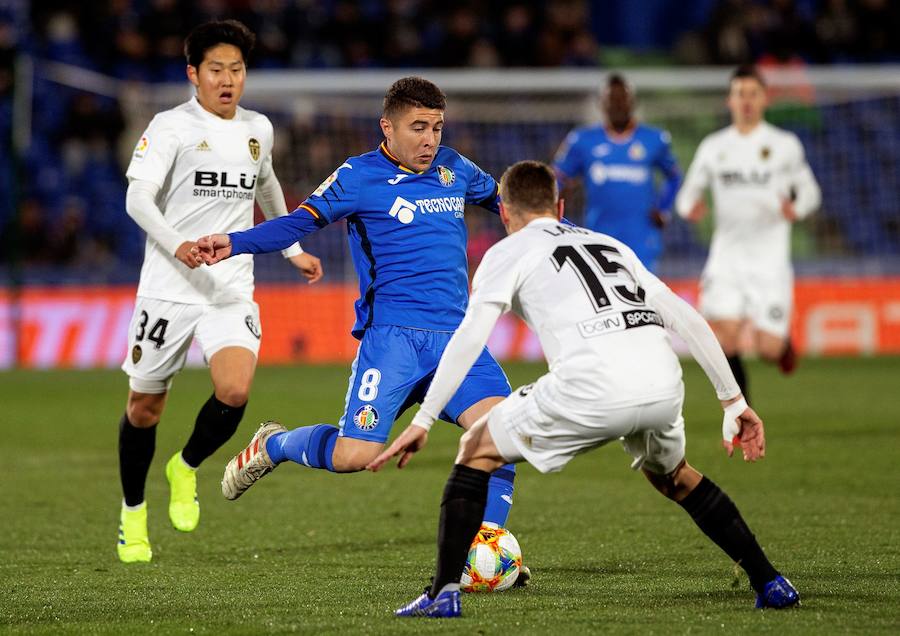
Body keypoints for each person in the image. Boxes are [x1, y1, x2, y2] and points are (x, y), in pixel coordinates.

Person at [370, 160, 800, 618]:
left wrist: (423, 418)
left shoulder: (507, 252)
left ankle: (441, 595)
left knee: (476, 446)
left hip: (591, 384)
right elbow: (685, 317)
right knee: (675, 477)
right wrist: (734, 401)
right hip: (660, 379)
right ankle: (770, 581)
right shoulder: (609, 244)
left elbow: (470, 336)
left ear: (505, 212)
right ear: (558, 206)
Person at [198, 77, 526, 575]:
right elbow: (297, 223)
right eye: (418, 127)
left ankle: (486, 551)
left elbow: (508, 203)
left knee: (503, 434)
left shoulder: (454, 167)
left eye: (437, 127)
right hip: (392, 342)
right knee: (355, 455)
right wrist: (235, 240)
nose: (430, 140)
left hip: (457, 340)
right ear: (387, 127)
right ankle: (275, 444)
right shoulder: (358, 176)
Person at [116, 19, 323, 564]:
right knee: (143, 408)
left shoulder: (259, 128)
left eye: (236, 69)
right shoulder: (170, 127)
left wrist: (291, 248)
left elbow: (269, 185)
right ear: (194, 74)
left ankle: (184, 467)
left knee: (234, 391)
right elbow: (138, 198)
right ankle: (132, 514)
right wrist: (177, 244)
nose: (228, 79)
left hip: (230, 285)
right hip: (168, 288)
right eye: (216, 70)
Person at [675, 65, 821, 400]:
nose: (746, 101)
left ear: (764, 99)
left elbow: (811, 192)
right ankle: (743, 413)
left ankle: (783, 348)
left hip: (769, 260)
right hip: (727, 256)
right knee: (724, 339)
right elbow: (687, 194)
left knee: (767, 349)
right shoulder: (714, 147)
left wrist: (795, 209)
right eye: (740, 93)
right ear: (730, 100)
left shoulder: (784, 145)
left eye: (753, 94)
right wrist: (689, 208)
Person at [553, 73, 681, 271]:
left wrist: (663, 208)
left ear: (633, 102)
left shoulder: (654, 139)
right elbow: (557, 178)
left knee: (643, 297)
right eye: (612, 99)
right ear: (601, 103)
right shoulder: (582, 141)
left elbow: (674, 176)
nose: (618, 104)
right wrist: (556, 205)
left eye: (623, 98)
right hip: (598, 238)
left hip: (642, 240)